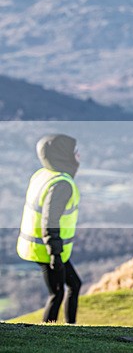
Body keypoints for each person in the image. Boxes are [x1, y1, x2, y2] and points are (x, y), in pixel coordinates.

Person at [17, 134, 82, 324]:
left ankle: (71, 328)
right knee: (57, 293)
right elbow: (49, 220)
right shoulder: (61, 184)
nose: (78, 156)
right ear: (63, 156)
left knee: (74, 285)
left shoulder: (44, 174)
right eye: (74, 152)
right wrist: (54, 253)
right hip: (47, 249)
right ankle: (46, 332)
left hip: (45, 246)